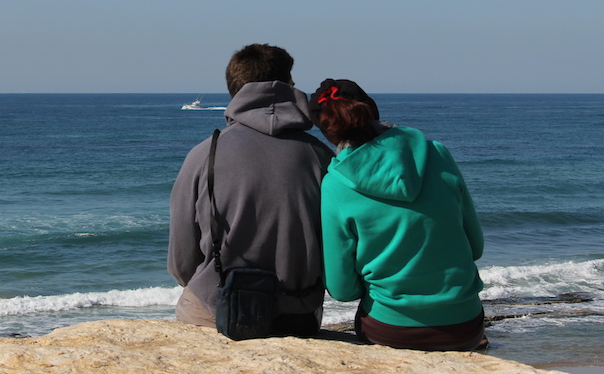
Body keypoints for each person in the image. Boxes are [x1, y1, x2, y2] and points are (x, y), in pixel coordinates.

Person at [168, 44, 334, 337]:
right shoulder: (320, 155)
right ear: (289, 87)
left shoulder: (205, 153)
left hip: (215, 308)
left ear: (235, 91)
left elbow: (181, 261)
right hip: (295, 314)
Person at [309, 78, 486, 351]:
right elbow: (475, 247)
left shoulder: (335, 184)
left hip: (392, 329)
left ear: (327, 130)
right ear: (372, 111)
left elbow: (343, 290)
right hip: (466, 325)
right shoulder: (437, 153)